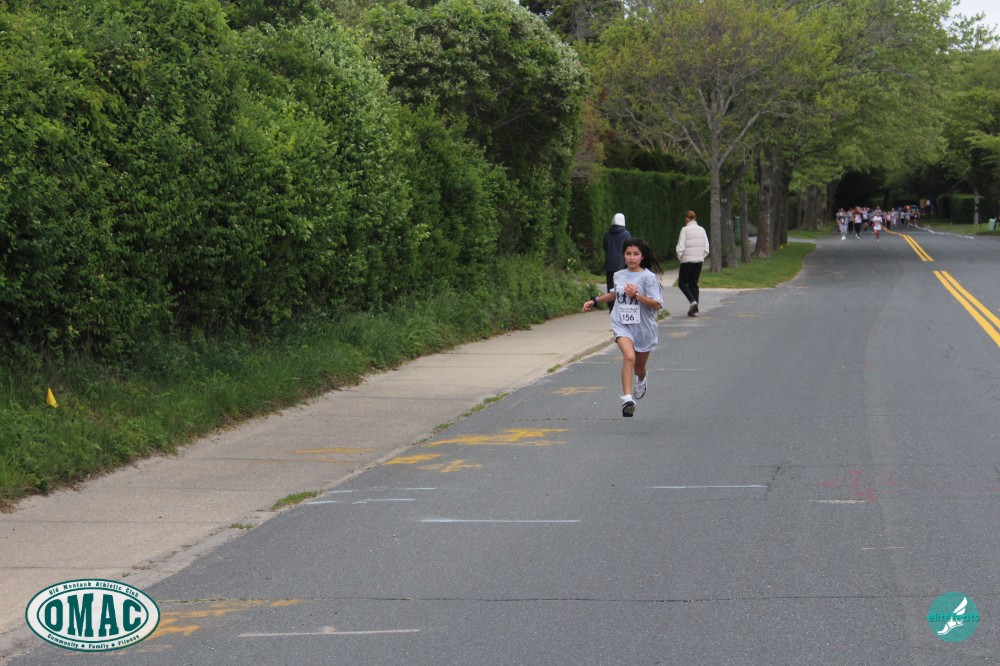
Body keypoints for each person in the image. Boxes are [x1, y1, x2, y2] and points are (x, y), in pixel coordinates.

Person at [583, 238, 664, 417]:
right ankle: (627, 399)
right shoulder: (619, 275)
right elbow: (615, 293)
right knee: (629, 356)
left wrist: (637, 295)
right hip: (622, 324)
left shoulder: (648, 277)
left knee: (639, 368)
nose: (631, 258)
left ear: (642, 257)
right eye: (628, 254)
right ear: (623, 255)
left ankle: (641, 378)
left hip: (643, 328)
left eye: (636, 254)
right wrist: (595, 301)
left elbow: (657, 304)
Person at [675, 210, 709, 317]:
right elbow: (706, 247)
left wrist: (680, 257)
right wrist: (701, 256)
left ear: (686, 218)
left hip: (687, 260)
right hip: (699, 260)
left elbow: (681, 247)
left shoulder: (685, 230)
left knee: (682, 283)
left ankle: (692, 301)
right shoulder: (702, 229)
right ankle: (695, 310)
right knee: (694, 283)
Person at [603, 213, 631, 311]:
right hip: (621, 263)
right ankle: (620, 305)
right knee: (621, 285)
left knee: (610, 285)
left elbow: (605, 247)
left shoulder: (607, 234)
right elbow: (629, 248)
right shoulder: (626, 234)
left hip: (609, 263)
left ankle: (611, 306)